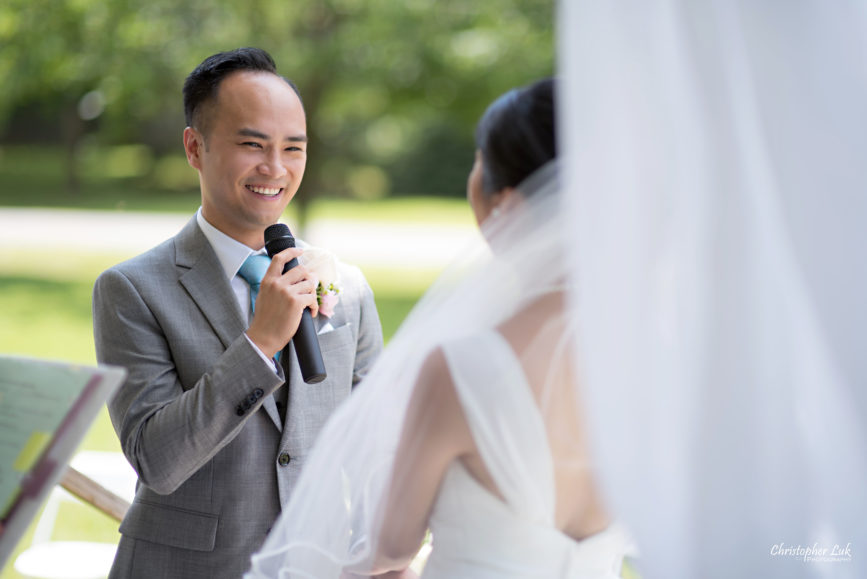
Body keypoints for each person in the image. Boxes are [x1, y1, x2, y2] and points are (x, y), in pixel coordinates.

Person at [247, 79, 636, 578]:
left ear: (506, 203)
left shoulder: (463, 367)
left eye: (479, 161)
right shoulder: (653, 360)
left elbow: (389, 547)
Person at [92, 47, 383, 579]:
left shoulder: (348, 287)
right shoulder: (131, 289)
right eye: (252, 144)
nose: (275, 168)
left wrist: (379, 552)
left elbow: (377, 442)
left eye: (293, 148)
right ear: (194, 148)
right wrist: (257, 345)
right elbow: (157, 461)